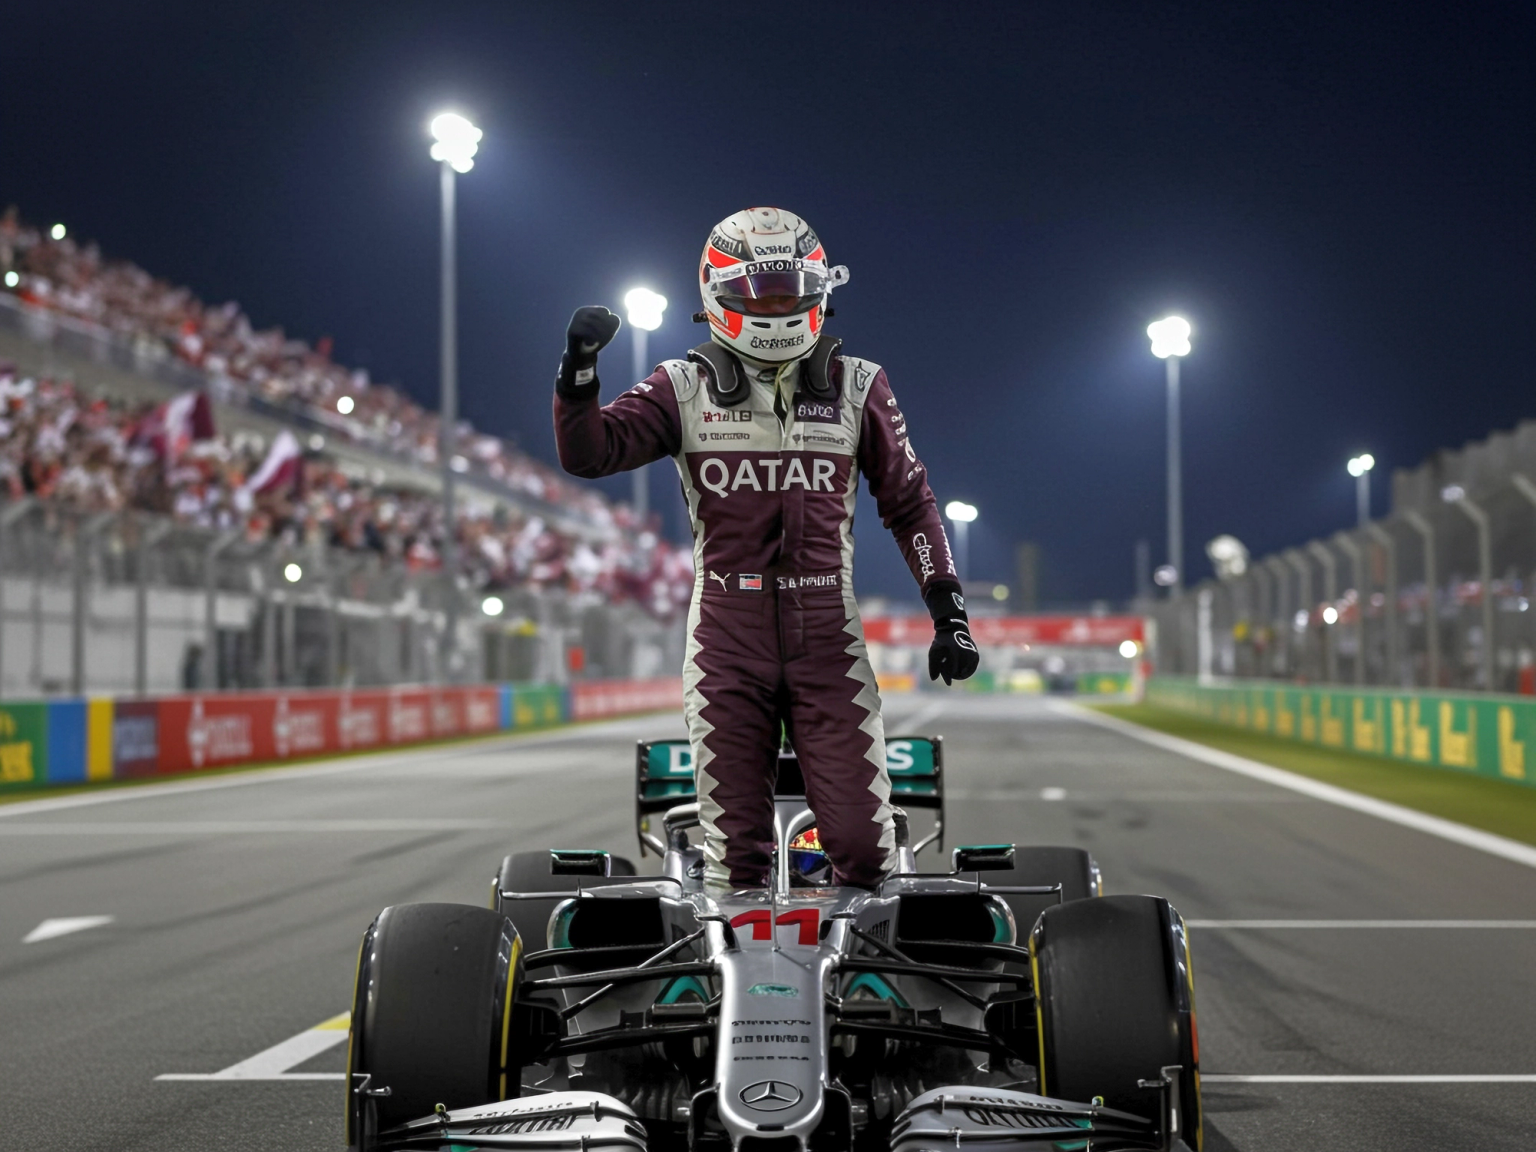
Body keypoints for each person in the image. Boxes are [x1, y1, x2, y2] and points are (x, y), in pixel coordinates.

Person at [552, 207, 978, 889]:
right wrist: (578, 373)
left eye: (789, 291)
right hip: (726, 635)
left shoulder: (860, 385)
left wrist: (949, 612)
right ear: (719, 294)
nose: (777, 308)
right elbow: (591, 453)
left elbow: (910, 503)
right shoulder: (680, 386)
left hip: (827, 636)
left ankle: (850, 987)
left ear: (818, 290)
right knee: (737, 859)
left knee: (864, 853)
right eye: (761, 294)